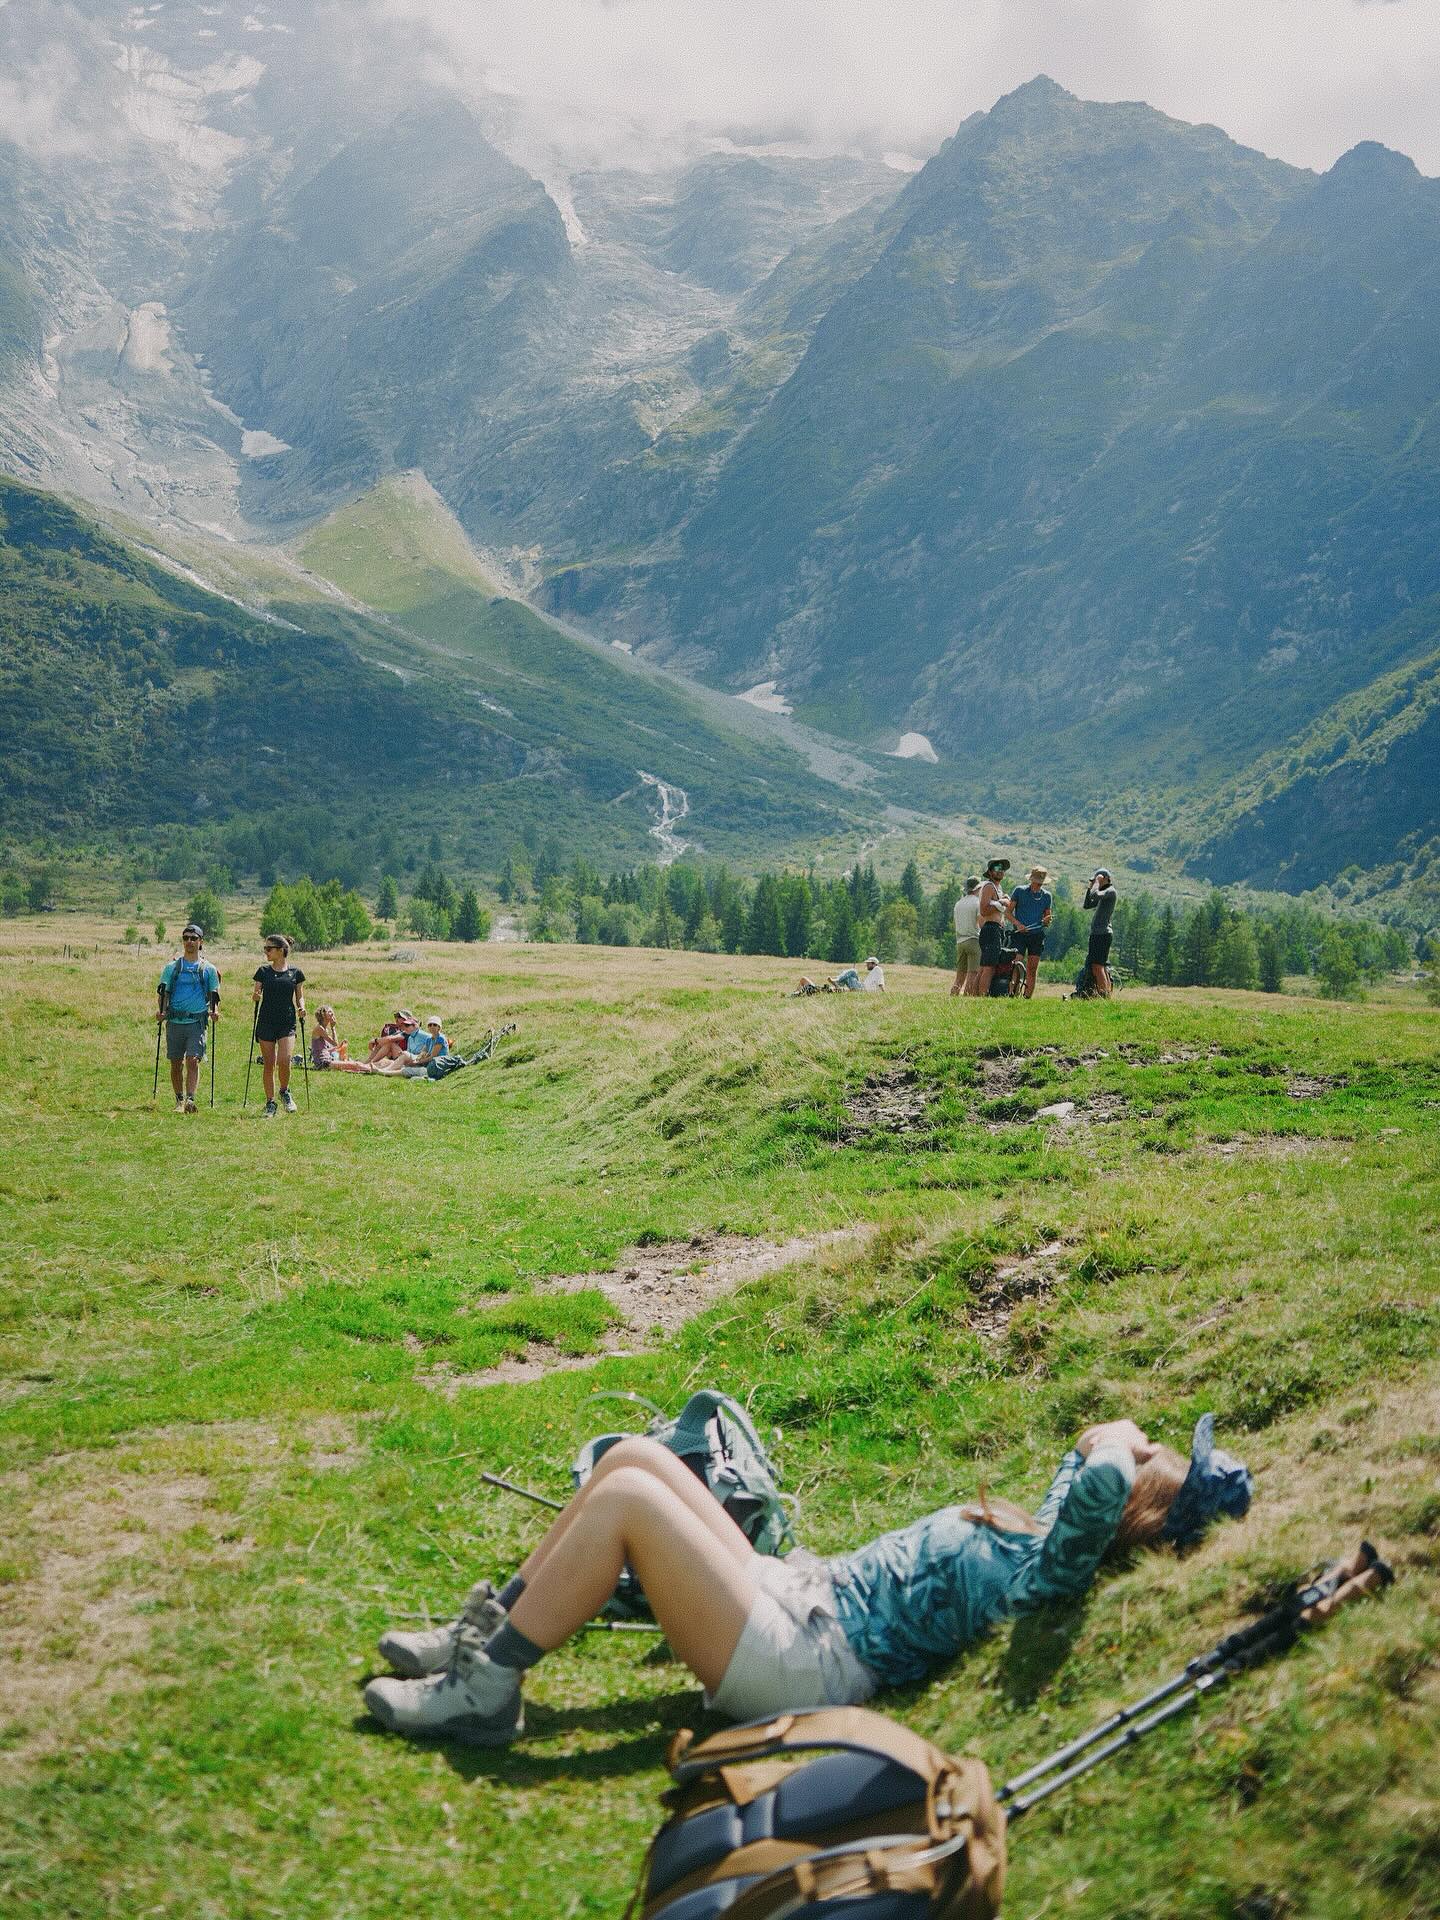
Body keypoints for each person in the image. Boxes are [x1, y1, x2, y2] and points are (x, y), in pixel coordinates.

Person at [363, 1414, 1251, 1748]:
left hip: (804, 1660)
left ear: (1130, 1511)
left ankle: (485, 1692)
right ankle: (481, 1637)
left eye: (1152, 1465)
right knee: (634, 1456)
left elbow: (1092, 1472)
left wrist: (1112, 1446)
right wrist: (1109, 1441)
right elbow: (1082, 1470)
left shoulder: (1054, 1575)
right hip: (798, 1598)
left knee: (629, 1500)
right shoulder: (1057, 1539)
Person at [156, 924, 220, 1114]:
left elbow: (214, 994)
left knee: (193, 1060)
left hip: (197, 1022)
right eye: (186, 938)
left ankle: (190, 1099)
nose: (189, 942)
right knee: (176, 1063)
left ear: (201, 942)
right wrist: (160, 1011)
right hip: (174, 1021)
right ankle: (179, 1100)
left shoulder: (208, 969)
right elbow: (163, 992)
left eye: (193, 938)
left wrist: (215, 1011)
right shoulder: (172, 968)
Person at [251, 934, 306, 1116]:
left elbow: (299, 995)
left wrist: (302, 1007)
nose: (266, 952)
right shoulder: (263, 972)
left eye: (269, 949)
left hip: (287, 1022)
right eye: (265, 949)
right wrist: (255, 996)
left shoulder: (295, 973)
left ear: (281, 950)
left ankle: (284, 1091)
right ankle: (270, 1102)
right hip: (266, 1021)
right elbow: (256, 992)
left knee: (284, 1060)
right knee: (269, 1064)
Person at [1007, 866, 1053, 1000]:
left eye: (1041, 884)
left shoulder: (1047, 896)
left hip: (1037, 935)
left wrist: (1046, 921)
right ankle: (1012, 993)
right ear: (1031, 880)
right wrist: (1018, 925)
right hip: (1020, 934)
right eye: (1037, 883)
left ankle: (1027, 997)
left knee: (1032, 968)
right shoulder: (1019, 891)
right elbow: (1008, 912)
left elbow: (1047, 919)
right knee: (1016, 963)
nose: (1039, 886)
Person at [975, 858, 1011, 998]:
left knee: (985, 966)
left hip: (995, 929)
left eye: (1002, 868)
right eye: (997, 868)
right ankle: (982, 996)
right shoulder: (989, 887)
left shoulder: (997, 888)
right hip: (990, 928)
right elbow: (984, 910)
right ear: (990, 872)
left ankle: (975, 995)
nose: (1000, 870)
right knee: (989, 967)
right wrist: (999, 903)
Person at [1083, 869, 1118, 999]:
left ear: (1105, 878)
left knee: (1098, 966)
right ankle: (1105, 994)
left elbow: (1095, 895)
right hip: (1098, 934)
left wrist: (1097, 881)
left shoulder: (1110, 891)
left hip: (1102, 934)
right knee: (1099, 966)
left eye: (1099, 878)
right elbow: (1087, 904)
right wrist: (1090, 887)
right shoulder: (1104, 892)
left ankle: (1103, 995)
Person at [311, 1006, 374, 1073]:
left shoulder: (325, 1029)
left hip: (327, 1060)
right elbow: (335, 1043)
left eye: (332, 1011)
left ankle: (369, 1068)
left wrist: (339, 1047)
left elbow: (327, 1049)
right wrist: (333, 1028)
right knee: (355, 1065)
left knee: (354, 1063)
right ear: (323, 1015)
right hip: (323, 1063)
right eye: (329, 1012)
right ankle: (372, 1069)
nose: (332, 1013)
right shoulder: (319, 1029)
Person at [951, 878, 982, 997]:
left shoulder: (958, 903)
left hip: (960, 941)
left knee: (960, 974)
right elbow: (980, 922)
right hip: (973, 940)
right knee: (972, 973)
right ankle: (967, 998)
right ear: (978, 889)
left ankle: (953, 995)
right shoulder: (977, 902)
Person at [794, 957, 885, 995]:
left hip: (862, 989)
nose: (867, 965)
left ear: (873, 964)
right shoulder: (874, 971)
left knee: (853, 971)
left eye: (868, 964)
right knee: (851, 974)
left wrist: (884, 993)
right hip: (861, 987)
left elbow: (881, 983)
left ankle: (836, 981)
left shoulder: (878, 969)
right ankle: (837, 983)